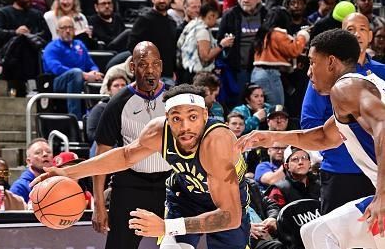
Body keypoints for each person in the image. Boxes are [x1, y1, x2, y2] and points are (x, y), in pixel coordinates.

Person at [31, 83, 251, 249]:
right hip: (184, 197)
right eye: (176, 119)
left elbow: (230, 216)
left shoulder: (217, 142)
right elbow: (125, 156)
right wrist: (68, 172)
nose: (185, 127)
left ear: (205, 115)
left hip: (228, 205)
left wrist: (167, 227)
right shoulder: (159, 131)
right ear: (167, 118)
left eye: (192, 117)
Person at [236, 28, 385, 248]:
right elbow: (324, 137)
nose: (308, 72)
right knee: (314, 231)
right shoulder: (360, 86)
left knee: (320, 234)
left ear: (331, 62)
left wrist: (382, 195)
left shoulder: (345, 87)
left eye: (312, 62)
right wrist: (270, 136)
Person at [91, 41, 171, 249]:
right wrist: (99, 204)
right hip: (130, 186)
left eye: (155, 64)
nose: (150, 70)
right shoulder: (118, 103)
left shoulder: (174, 99)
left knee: (180, 244)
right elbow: (100, 158)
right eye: (143, 64)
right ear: (133, 68)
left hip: (170, 185)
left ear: (161, 66)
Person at [301, 12, 383, 214]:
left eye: (362, 29)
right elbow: (316, 129)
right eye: (350, 30)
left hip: (376, 174)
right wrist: (268, 136)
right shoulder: (325, 79)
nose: (357, 34)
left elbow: (381, 124)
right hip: (343, 169)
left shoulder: (346, 84)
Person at [0, 0, 51, 96]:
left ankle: (32, 85)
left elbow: (46, 34)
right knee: (19, 42)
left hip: (31, 55)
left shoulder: (36, 14)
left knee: (26, 42)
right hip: (9, 56)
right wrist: (15, 33)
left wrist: (30, 36)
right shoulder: (4, 13)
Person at [42, 16, 103, 120]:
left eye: (70, 27)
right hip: (56, 81)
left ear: (74, 30)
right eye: (64, 28)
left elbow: (90, 64)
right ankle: (75, 118)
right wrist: (84, 75)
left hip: (80, 78)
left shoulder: (79, 45)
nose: (67, 30)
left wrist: (95, 72)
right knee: (76, 73)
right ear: (57, 31)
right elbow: (56, 68)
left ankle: (96, 117)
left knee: (97, 76)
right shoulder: (51, 47)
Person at [217, 0, 267, 104]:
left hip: (260, 68)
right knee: (238, 104)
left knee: (260, 104)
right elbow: (219, 40)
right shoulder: (230, 15)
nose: (246, 0)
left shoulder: (266, 14)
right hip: (238, 69)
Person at [251, 6, 309, 106]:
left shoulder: (263, 32)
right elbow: (294, 50)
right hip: (270, 74)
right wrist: (303, 35)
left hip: (256, 73)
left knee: (260, 108)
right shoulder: (277, 33)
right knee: (276, 108)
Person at [128, 0, 177, 85]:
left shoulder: (172, 22)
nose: (162, 0)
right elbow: (132, 45)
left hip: (167, 75)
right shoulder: (144, 19)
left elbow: (172, 49)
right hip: (148, 75)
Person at [177, 0, 229, 84]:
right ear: (210, 15)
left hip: (186, 72)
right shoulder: (202, 31)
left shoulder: (192, 24)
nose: (216, 21)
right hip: (196, 77)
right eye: (215, 17)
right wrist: (221, 45)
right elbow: (205, 57)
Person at [11, 138, 52, 203]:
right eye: (38, 152)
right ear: (29, 161)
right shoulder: (19, 187)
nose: (45, 154)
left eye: (48, 152)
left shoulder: (57, 180)